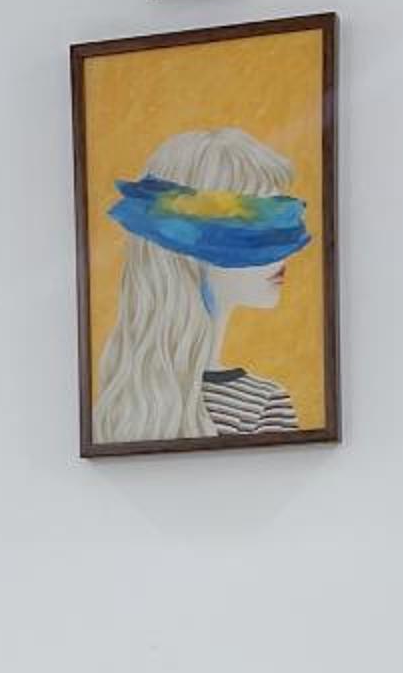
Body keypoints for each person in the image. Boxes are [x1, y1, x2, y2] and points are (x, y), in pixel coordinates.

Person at [93, 127, 313, 444]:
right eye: (252, 224)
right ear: (184, 244)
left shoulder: (117, 401)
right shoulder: (262, 405)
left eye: (285, 219)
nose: (286, 250)